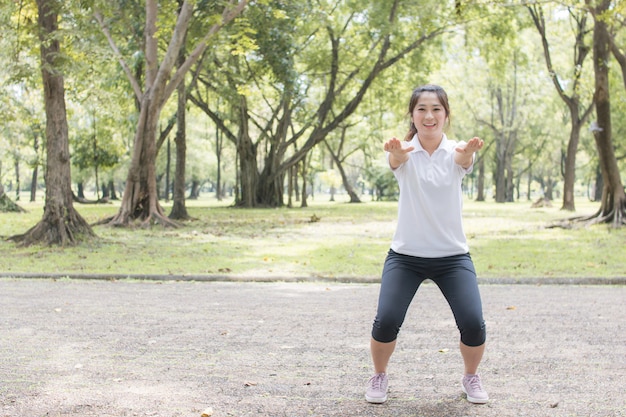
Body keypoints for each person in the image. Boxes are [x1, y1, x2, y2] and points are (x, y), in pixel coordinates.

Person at [365, 84, 488, 405]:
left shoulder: (456, 150)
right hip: (405, 257)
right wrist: (395, 149)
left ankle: (471, 377)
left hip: (453, 257)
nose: (429, 115)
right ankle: (379, 375)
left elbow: (462, 157)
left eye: (436, 109)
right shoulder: (405, 153)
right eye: (422, 109)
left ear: (446, 115)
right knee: (387, 319)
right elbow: (395, 159)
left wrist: (469, 150)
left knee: (473, 323)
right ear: (413, 114)